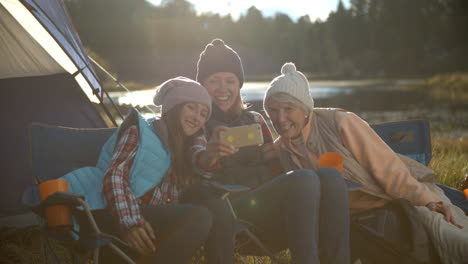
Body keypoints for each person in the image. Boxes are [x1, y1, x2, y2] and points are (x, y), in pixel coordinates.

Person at [263, 62, 468, 263]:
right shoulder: (280, 149)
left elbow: (389, 171)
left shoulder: (340, 123)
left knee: (454, 240)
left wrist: (429, 201)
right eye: (272, 110)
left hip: (402, 198)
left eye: (288, 109)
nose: (280, 118)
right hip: (355, 223)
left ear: (305, 108)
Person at [190, 39, 351, 264]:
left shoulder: (255, 120)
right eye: (213, 81)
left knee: (330, 176)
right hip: (233, 215)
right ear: (202, 85)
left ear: (239, 85)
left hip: (270, 207)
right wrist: (212, 155)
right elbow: (198, 165)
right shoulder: (196, 123)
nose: (222, 89)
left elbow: (277, 165)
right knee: (302, 180)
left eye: (230, 80)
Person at [60, 77, 235, 263]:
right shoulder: (141, 133)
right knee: (199, 217)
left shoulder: (190, 143)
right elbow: (115, 177)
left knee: (217, 207)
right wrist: (131, 223)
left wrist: (210, 156)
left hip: (154, 216)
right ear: (173, 107)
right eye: (191, 107)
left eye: (203, 113)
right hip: (112, 213)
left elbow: (198, 159)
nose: (196, 117)